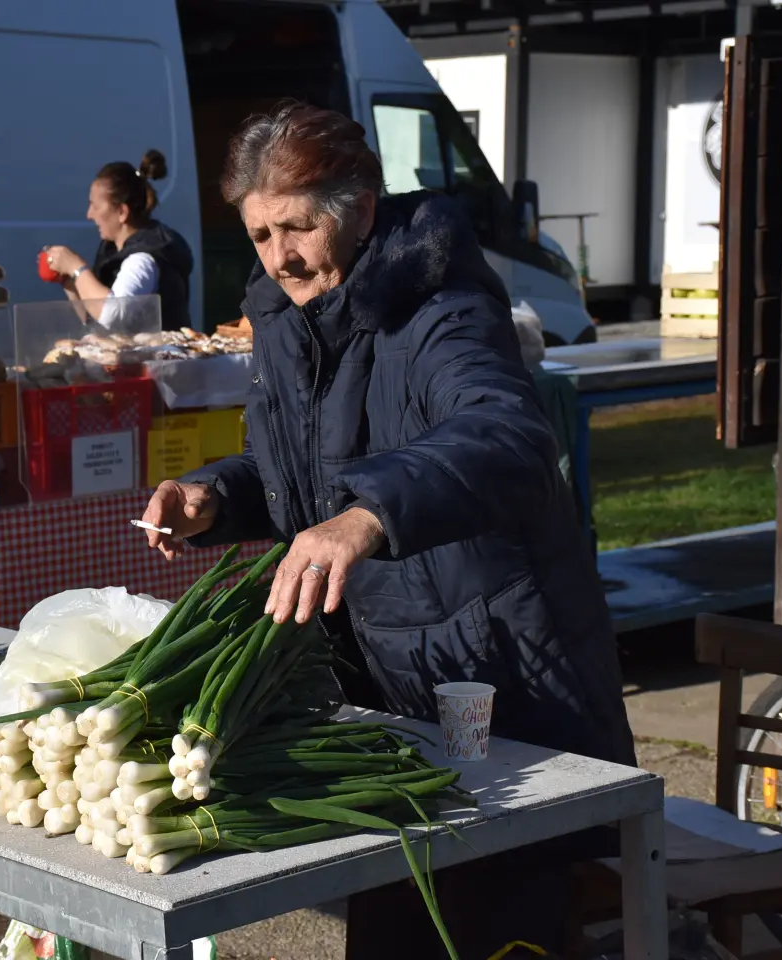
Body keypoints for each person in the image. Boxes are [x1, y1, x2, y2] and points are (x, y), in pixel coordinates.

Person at [139, 103, 636, 957]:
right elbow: (300, 471)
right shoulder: (286, 315)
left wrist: (369, 516)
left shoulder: (441, 303)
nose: (280, 257)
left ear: (362, 208)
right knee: (394, 925)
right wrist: (214, 496)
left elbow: (508, 437)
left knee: (499, 926)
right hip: (388, 694)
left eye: (298, 227)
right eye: (260, 235)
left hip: (498, 676)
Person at [43, 150, 194, 332]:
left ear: (122, 212)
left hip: (159, 351)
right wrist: (68, 280)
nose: (89, 214)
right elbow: (94, 319)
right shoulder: (113, 251)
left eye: (95, 206)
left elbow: (113, 316)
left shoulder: (143, 258)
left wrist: (76, 267)